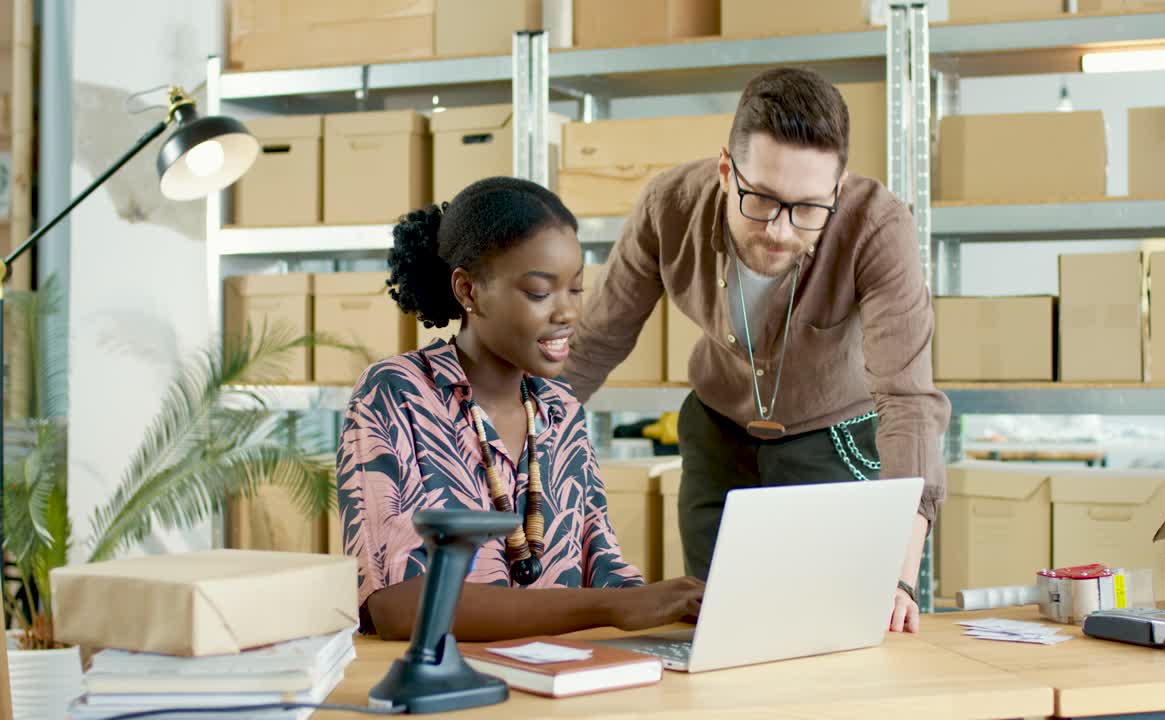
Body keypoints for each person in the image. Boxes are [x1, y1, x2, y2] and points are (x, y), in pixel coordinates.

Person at [563, 68, 951, 634]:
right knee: (718, 625)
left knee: (825, 633)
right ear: (727, 169)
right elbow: (593, 345)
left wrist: (900, 569)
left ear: (836, 191)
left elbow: (908, 398)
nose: (780, 230)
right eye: (761, 199)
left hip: (833, 437)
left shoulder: (879, 226)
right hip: (717, 434)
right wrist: (514, 445)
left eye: (808, 209)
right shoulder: (668, 206)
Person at [336, 177, 705, 642]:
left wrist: (675, 605)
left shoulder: (560, 408)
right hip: (446, 692)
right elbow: (403, 606)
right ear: (468, 291)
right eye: (539, 292)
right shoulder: (396, 394)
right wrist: (613, 606)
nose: (567, 312)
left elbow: (603, 566)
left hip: (563, 685)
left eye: (575, 289)